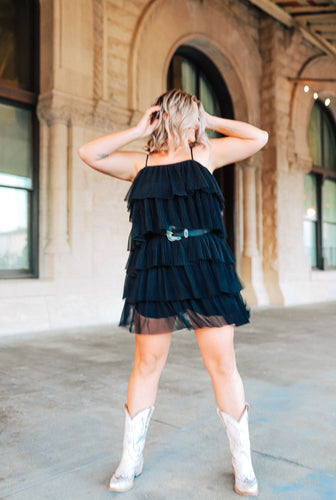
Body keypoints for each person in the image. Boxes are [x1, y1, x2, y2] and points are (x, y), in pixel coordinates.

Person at [78, 89, 268, 496]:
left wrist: (212, 121)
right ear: (169, 118)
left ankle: (243, 464)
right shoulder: (141, 164)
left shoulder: (206, 155)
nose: (195, 124)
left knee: (222, 363)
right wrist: (135, 129)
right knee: (147, 364)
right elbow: (88, 153)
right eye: (191, 116)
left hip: (205, 263)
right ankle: (131, 459)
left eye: (197, 118)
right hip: (155, 266)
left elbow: (259, 138)